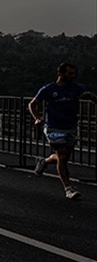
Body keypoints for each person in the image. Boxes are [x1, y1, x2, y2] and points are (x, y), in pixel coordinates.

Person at [29, 62, 95, 199]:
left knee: (62, 158)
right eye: (69, 73)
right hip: (53, 127)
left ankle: (44, 162)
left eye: (73, 73)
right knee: (63, 155)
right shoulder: (48, 89)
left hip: (70, 127)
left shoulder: (76, 88)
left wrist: (92, 97)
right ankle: (68, 189)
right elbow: (32, 104)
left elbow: (90, 96)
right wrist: (37, 118)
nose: (72, 76)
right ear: (60, 74)